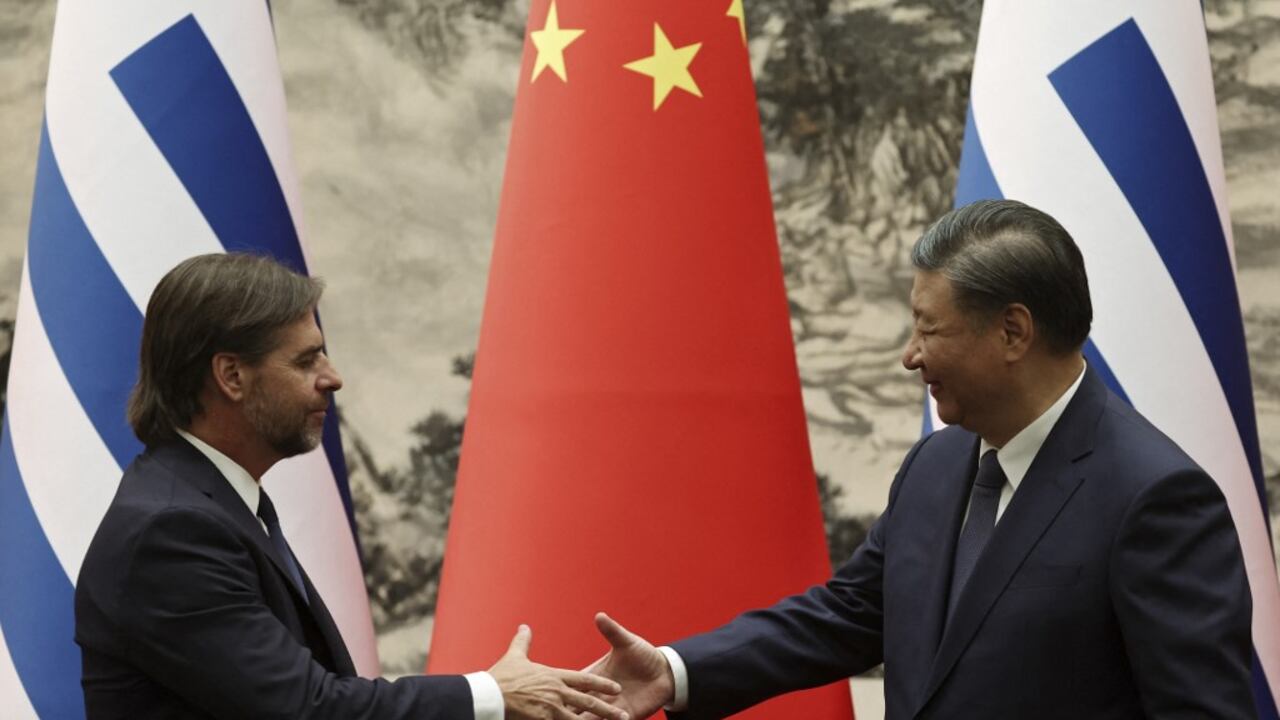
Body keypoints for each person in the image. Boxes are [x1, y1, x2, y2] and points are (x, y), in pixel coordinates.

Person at [583, 200, 1256, 719]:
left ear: (1013, 332)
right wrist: (674, 670)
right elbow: (849, 616)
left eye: (930, 329)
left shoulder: (1156, 498)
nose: (911, 355)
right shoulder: (937, 465)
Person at [75, 253, 628, 720]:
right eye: (306, 358)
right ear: (232, 377)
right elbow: (307, 708)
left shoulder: (214, 504)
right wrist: (491, 693)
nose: (332, 377)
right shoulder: (171, 531)